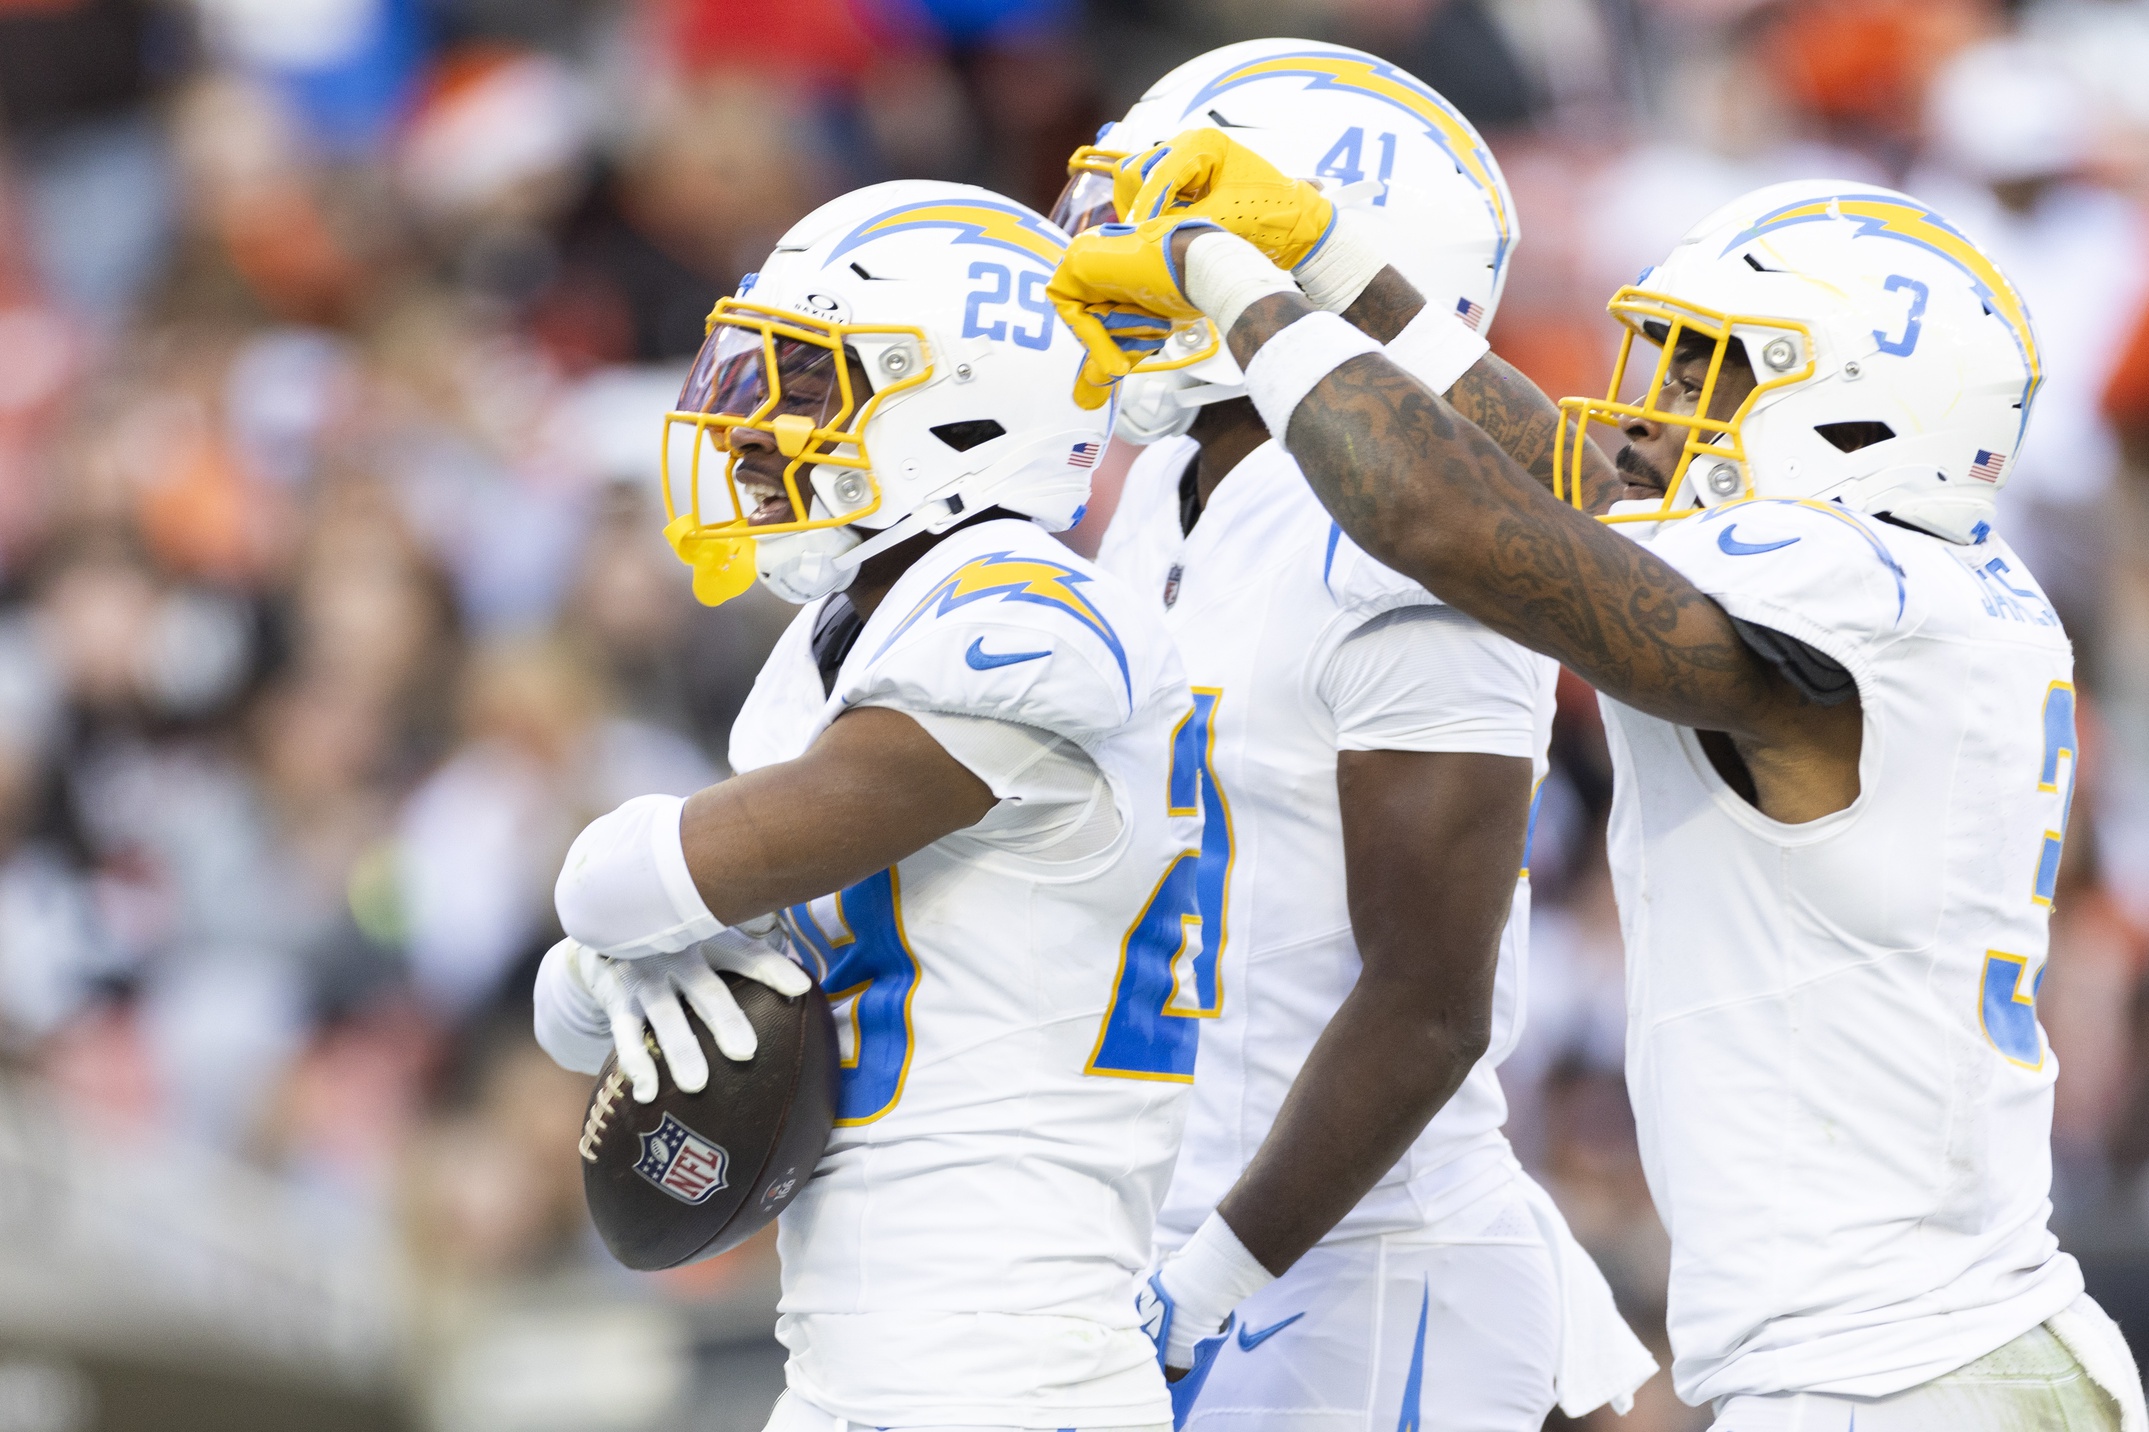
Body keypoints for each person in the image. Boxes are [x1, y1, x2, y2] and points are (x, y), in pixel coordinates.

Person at [1049, 143, 2149, 1430]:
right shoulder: (1922, 589)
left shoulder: (1856, 603)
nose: (1649, 405)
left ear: (1861, 409)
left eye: (1709, 368)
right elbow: (1565, 494)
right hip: (1936, 1360)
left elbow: (1446, 522)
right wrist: (1337, 267)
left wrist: (1239, 294)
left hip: (1892, 1377)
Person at [532, 179, 1203, 1432]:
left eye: (801, 383)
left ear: (954, 407)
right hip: (859, 1363)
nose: (743, 429)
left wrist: (615, 916)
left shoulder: (1031, 617)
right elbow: (634, 975)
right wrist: (608, 980)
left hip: (1009, 1364)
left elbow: (637, 880)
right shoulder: (845, 636)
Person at [1047, 42, 1651, 1431]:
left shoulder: (1388, 536)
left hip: (1362, 1276)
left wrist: (1198, 1286)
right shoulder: (1163, 498)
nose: (1121, 258)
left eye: (1181, 227)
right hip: (1192, 1244)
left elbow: (1427, 1007)